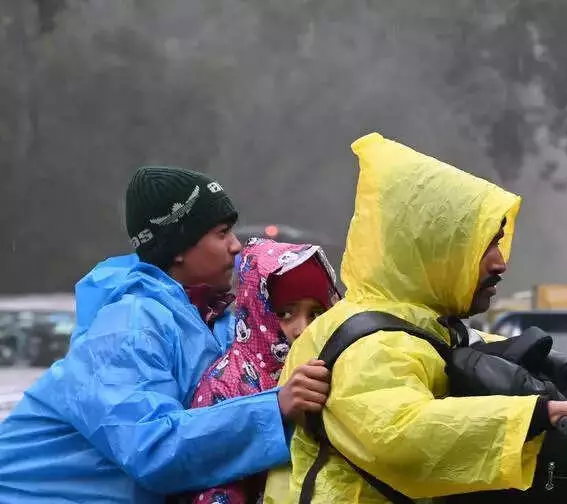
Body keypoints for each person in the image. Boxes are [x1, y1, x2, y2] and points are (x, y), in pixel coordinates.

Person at [266, 133, 567, 503]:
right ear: (435, 250)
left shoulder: (422, 327)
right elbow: (401, 434)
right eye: (485, 244)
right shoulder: (371, 343)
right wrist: (543, 413)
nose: (500, 262)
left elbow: (486, 352)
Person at [0, 166, 330, 503]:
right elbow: (151, 448)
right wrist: (275, 408)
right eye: (221, 233)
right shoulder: (128, 327)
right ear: (178, 247)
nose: (235, 246)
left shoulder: (212, 320)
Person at [184, 238, 340, 504]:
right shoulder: (227, 383)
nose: (303, 329)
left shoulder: (334, 370)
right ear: (257, 310)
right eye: (285, 313)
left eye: (315, 314)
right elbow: (215, 486)